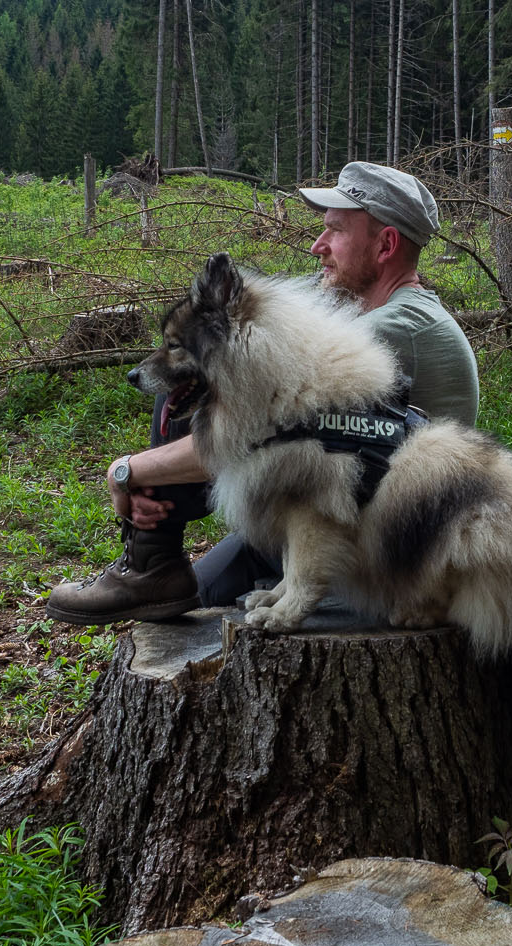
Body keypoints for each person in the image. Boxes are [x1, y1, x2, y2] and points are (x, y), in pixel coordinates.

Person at [46, 161, 480, 625]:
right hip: (306, 518)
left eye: (334, 231)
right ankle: (152, 564)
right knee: (195, 382)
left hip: (358, 545)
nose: (318, 247)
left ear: (386, 244)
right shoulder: (376, 315)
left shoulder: (388, 333)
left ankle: (151, 563)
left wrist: (127, 471)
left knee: (202, 378)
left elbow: (266, 435)